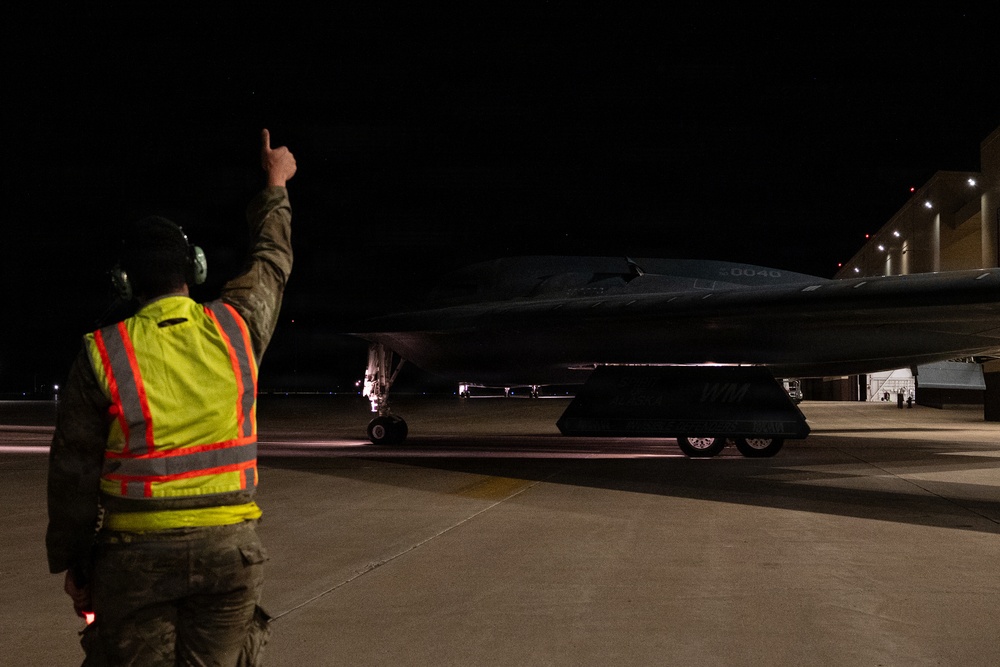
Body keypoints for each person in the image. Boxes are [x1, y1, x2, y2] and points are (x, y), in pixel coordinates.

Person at [46, 129, 296, 665]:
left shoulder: (101, 352)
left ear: (125, 281)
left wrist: (76, 564)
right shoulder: (236, 327)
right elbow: (272, 259)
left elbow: (73, 472)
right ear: (195, 267)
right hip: (231, 554)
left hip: (135, 561)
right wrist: (275, 183)